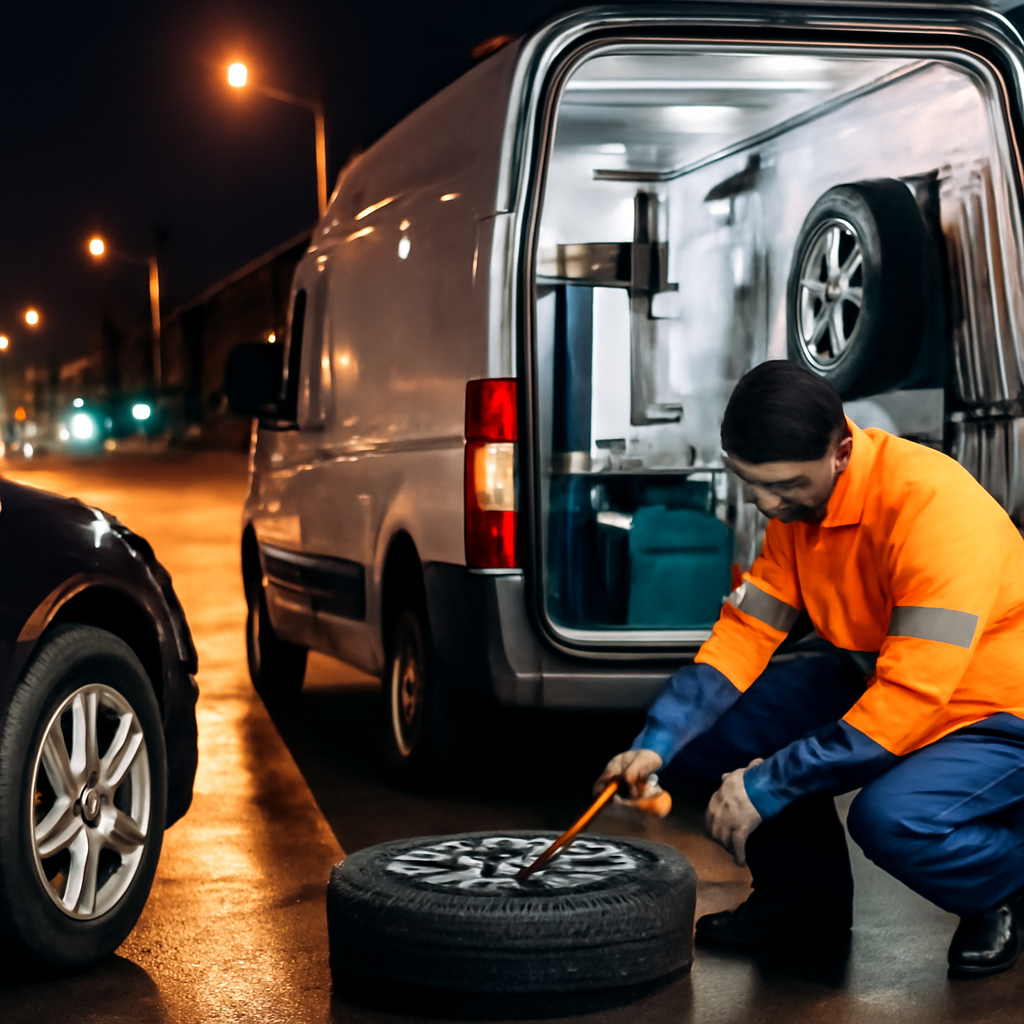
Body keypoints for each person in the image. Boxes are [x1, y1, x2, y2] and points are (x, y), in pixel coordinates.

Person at [598, 360, 1024, 978]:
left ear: (842, 453)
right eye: (750, 482)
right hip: (885, 674)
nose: (767, 504)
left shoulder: (933, 512)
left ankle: (995, 886)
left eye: (785, 486)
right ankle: (803, 908)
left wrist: (769, 785)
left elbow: (908, 703)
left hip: (993, 707)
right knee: (715, 735)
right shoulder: (799, 511)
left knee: (891, 818)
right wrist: (658, 741)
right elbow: (746, 632)